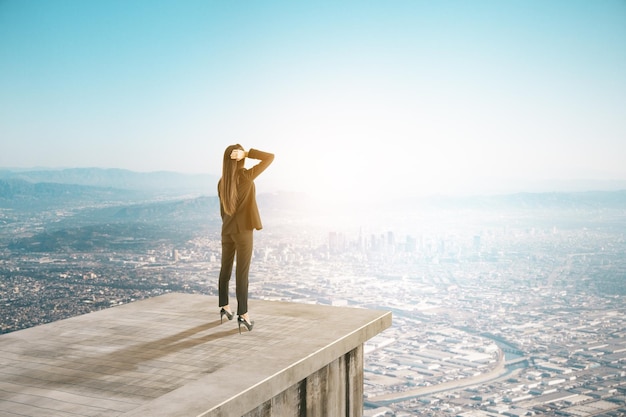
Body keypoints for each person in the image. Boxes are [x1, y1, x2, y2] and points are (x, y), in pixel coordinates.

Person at [217, 144, 274, 333]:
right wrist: (248, 153)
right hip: (243, 232)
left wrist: (229, 225)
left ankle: (224, 307)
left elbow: (222, 212)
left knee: (225, 270)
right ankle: (244, 315)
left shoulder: (221, 182)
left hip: (227, 230)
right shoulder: (246, 176)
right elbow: (270, 157)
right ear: (239, 158)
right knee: (242, 273)